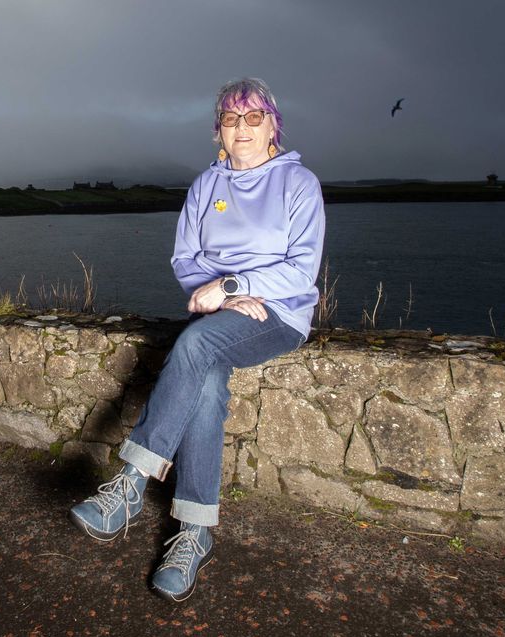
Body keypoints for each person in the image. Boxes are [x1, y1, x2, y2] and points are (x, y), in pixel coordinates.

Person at [69, 78, 326, 601]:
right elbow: (186, 259)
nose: (243, 129)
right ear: (218, 133)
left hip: (279, 314)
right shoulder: (205, 187)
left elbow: (300, 272)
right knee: (205, 380)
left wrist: (235, 285)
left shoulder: (300, 184)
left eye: (254, 118)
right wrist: (221, 296)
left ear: (274, 124)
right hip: (221, 312)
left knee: (197, 346)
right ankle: (195, 531)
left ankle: (130, 485)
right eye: (232, 120)